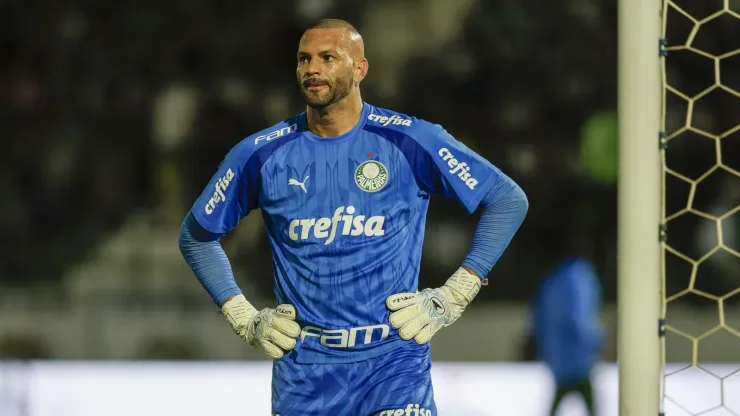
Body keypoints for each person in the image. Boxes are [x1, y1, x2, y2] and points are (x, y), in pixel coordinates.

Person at [178, 18, 528, 416]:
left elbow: (506, 199)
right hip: (304, 372)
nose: (312, 68)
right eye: (304, 59)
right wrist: (242, 315)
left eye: (328, 57)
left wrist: (455, 294)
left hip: (394, 364)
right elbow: (196, 236)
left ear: (360, 69)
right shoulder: (260, 154)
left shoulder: (411, 141)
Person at [530, 255, 605, 416]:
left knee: (561, 396)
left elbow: (538, 319)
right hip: (578, 356)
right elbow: (580, 317)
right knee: (588, 400)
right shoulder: (579, 279)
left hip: (557, 356)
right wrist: (595, 339)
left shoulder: (551, 282)